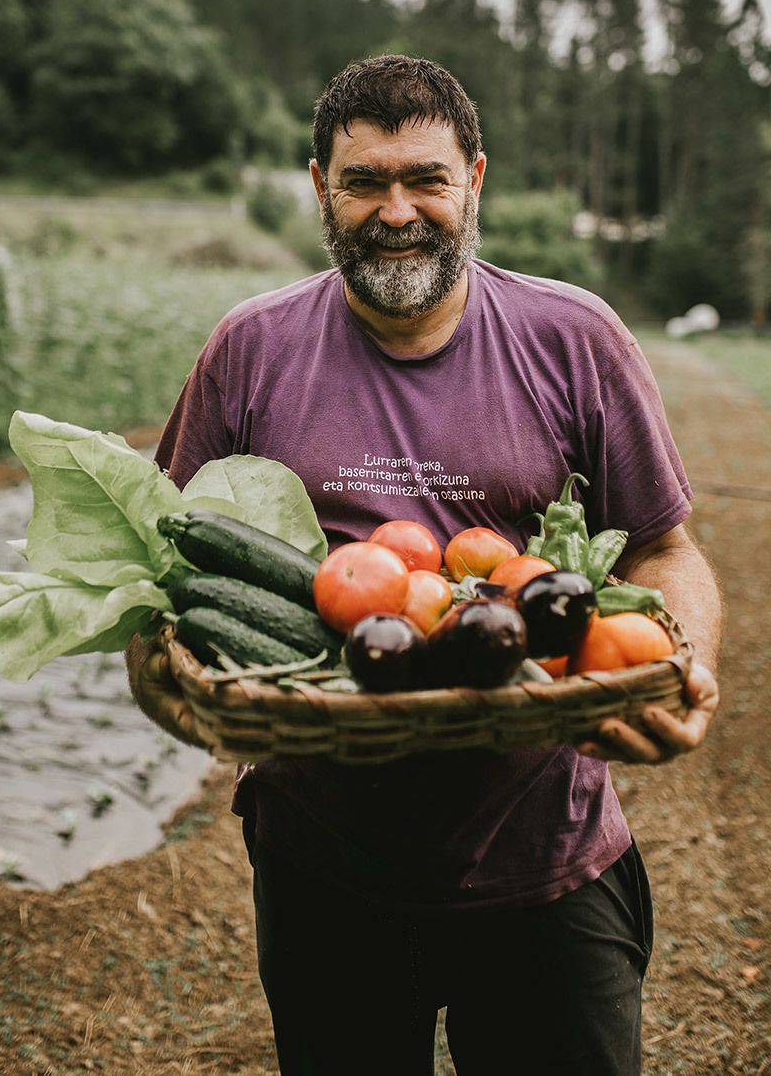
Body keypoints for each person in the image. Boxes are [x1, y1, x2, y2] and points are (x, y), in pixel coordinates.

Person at [127, 54, 721, 1076]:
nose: (395, 210)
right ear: (319, 186)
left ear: (473, 180)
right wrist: (162, 678)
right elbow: (162, 568)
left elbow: (665, 547)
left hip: (547, 853)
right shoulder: (249, 348)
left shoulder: (573, 336)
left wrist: (683, 664)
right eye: (362, 182)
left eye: (425, 179)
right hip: (325, 868)